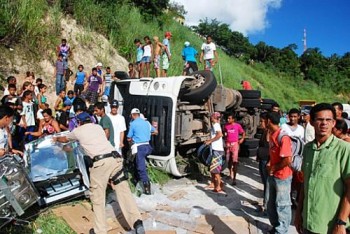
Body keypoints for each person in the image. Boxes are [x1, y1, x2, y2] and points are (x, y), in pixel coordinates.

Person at [54, 112, 145, 234]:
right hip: (115, 159)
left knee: (97, 197)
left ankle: (100, 230)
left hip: (101, 163)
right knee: (124, 192)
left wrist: (55, 139)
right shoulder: (98, 128)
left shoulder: (78, 131)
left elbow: (65, 139)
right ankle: (137, 222)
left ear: (79, 122)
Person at [294, 103, 350, 234]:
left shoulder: (344, 149)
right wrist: (298, 214)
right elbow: (304, 184)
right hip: (309, 222)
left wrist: (341, 222)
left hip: (331, 226)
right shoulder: (308, 149)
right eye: (319, 119)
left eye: (328, 120)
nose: (324, 123)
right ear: (312, 122)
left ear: (334, 123)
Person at [265, 111, 293, 234]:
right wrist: (270, 163)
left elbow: (287, 159)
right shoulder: (272, 134)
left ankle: (281, 230)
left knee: (282, 204)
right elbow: (274, 153)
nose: (262, 123)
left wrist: (274, 167)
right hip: (273, 174)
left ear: (268, 121)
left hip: (283, 177)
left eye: (263, 120)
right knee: (270, 202)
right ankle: (275, 226)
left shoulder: (283, 136)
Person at [127, 108, 157, 195]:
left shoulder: (133, 124)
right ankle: (143, 179)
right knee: (141, 164)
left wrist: (132, 138)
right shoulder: (147, 123)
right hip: (148, 147)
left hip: (139, 147)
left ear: (132, 115)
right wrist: (147, 134)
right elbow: (156, 131)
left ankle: (146, 188)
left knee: (141, 168)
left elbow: (129, 137)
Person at [204, 112, 225, 193]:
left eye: (212, 116)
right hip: (215, 149)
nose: (210, 118)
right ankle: (213, 183)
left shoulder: (216, 125)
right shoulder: (215, 125)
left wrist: (210, 141)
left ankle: (219, 186)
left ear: (214, 117)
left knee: (216, 170)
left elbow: (220, 134)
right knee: (212, 168)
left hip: (217, 150)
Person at [223, 114, 245, 185]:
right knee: (229, 160)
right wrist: (225, 140)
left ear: (233, 119)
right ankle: (230, 174)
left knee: (235, 161)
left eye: (229, 118)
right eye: (227, 118)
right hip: (228, 144)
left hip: (235, 144)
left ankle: (234, 179)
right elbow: (224, 133)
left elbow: (243, 132)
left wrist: (242, 139)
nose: (228, 120)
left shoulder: (237, 126)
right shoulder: (226, 126)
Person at [257, 113, 270, 211]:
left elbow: (271, 148)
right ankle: (266, 204)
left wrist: (269, 161)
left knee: (267, 184)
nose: (260, 123)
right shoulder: (264, 132)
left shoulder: (269, 133)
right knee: (265, 183)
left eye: (262, 121)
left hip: (266, 161)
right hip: (262, 160)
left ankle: (266, 206)